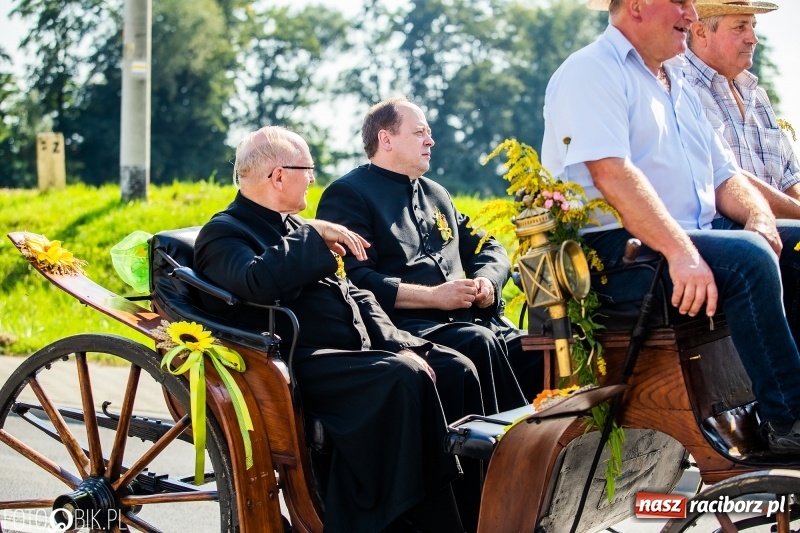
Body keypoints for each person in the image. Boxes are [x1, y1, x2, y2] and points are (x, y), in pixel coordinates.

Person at [541, 0, 800, 455]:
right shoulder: (590, 71)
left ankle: (782, 397)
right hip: (622, 256)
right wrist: (681, 252)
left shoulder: (676, 78)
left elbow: (725, 176)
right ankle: (788, 420)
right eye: (681, 2)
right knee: (750, 259)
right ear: (638, 5)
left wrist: (760, 218)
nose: (692, 12)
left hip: (683, 238)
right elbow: (613, 175)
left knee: (792, 243)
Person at [194, 126, 477, 533]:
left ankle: (469, 508)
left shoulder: (292, 227)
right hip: (295, 363)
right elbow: (255, 281)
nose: (313, 177)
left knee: (452, 366)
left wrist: (403, 344)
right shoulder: (224, 232)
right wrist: (315, 232)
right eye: (307, 169)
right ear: (278, 176)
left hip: (348, 354)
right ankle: (410, 519)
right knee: (404, 378)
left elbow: (355, 296)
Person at [316, 97, 541, 409]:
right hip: (410, 328)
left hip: (469, 321)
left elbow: (488, 246)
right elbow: (357, 281)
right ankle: (508, 450)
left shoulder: (436, 193)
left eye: (429, 132)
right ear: (386, 139)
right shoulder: (349, 194)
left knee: (541, 349)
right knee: (479, 342)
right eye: (419, 132)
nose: (430, 140)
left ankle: (563, 449)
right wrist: (435, 296)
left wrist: (487, 282)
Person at [677, 0, 800, 219]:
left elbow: (790, 179)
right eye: (740, 27)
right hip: (726, 228)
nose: (753, 38)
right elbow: (725, 176)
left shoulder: (757, 95)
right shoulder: (682, 87)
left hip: (774, 224)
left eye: (753, 25)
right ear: (701, 32)